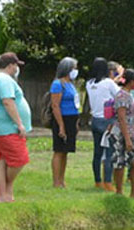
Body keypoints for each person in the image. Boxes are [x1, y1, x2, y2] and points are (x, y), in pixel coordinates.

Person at [0, 52, 32, 203]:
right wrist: (19, 123)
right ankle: (7, 186)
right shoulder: (4, 80)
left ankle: (4, 195)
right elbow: (8, 102)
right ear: (11, 65)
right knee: (20, 158)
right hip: (7, 128)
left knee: (1, 160)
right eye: (16, 65)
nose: (17, 69)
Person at [106, 69, 134, 198]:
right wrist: (127, 139)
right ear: (131, 82)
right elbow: (122, 118)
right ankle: (119, 191)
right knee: (120, 162)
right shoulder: (122, 96)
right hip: (121, 135)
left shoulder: (128, 95)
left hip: (129, 134)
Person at [86, 58, 119, 191]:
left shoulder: (89, 83)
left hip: (95, 119)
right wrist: (119, 76)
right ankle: (108, 182)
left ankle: (97, 181)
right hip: (108, 120)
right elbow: (119, 93)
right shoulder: (109, 83)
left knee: (97, 153)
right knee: (109, 152)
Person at [49, 57, 80, 189]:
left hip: (72, 119)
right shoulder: (57, 84)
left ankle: (62, 179)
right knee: (59, 150)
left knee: (66, 151)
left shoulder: (71, 84)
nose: (76, 71)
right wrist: (61, 125)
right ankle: (56, 181)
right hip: (62, 119)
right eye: (74, 68)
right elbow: (55, 106)